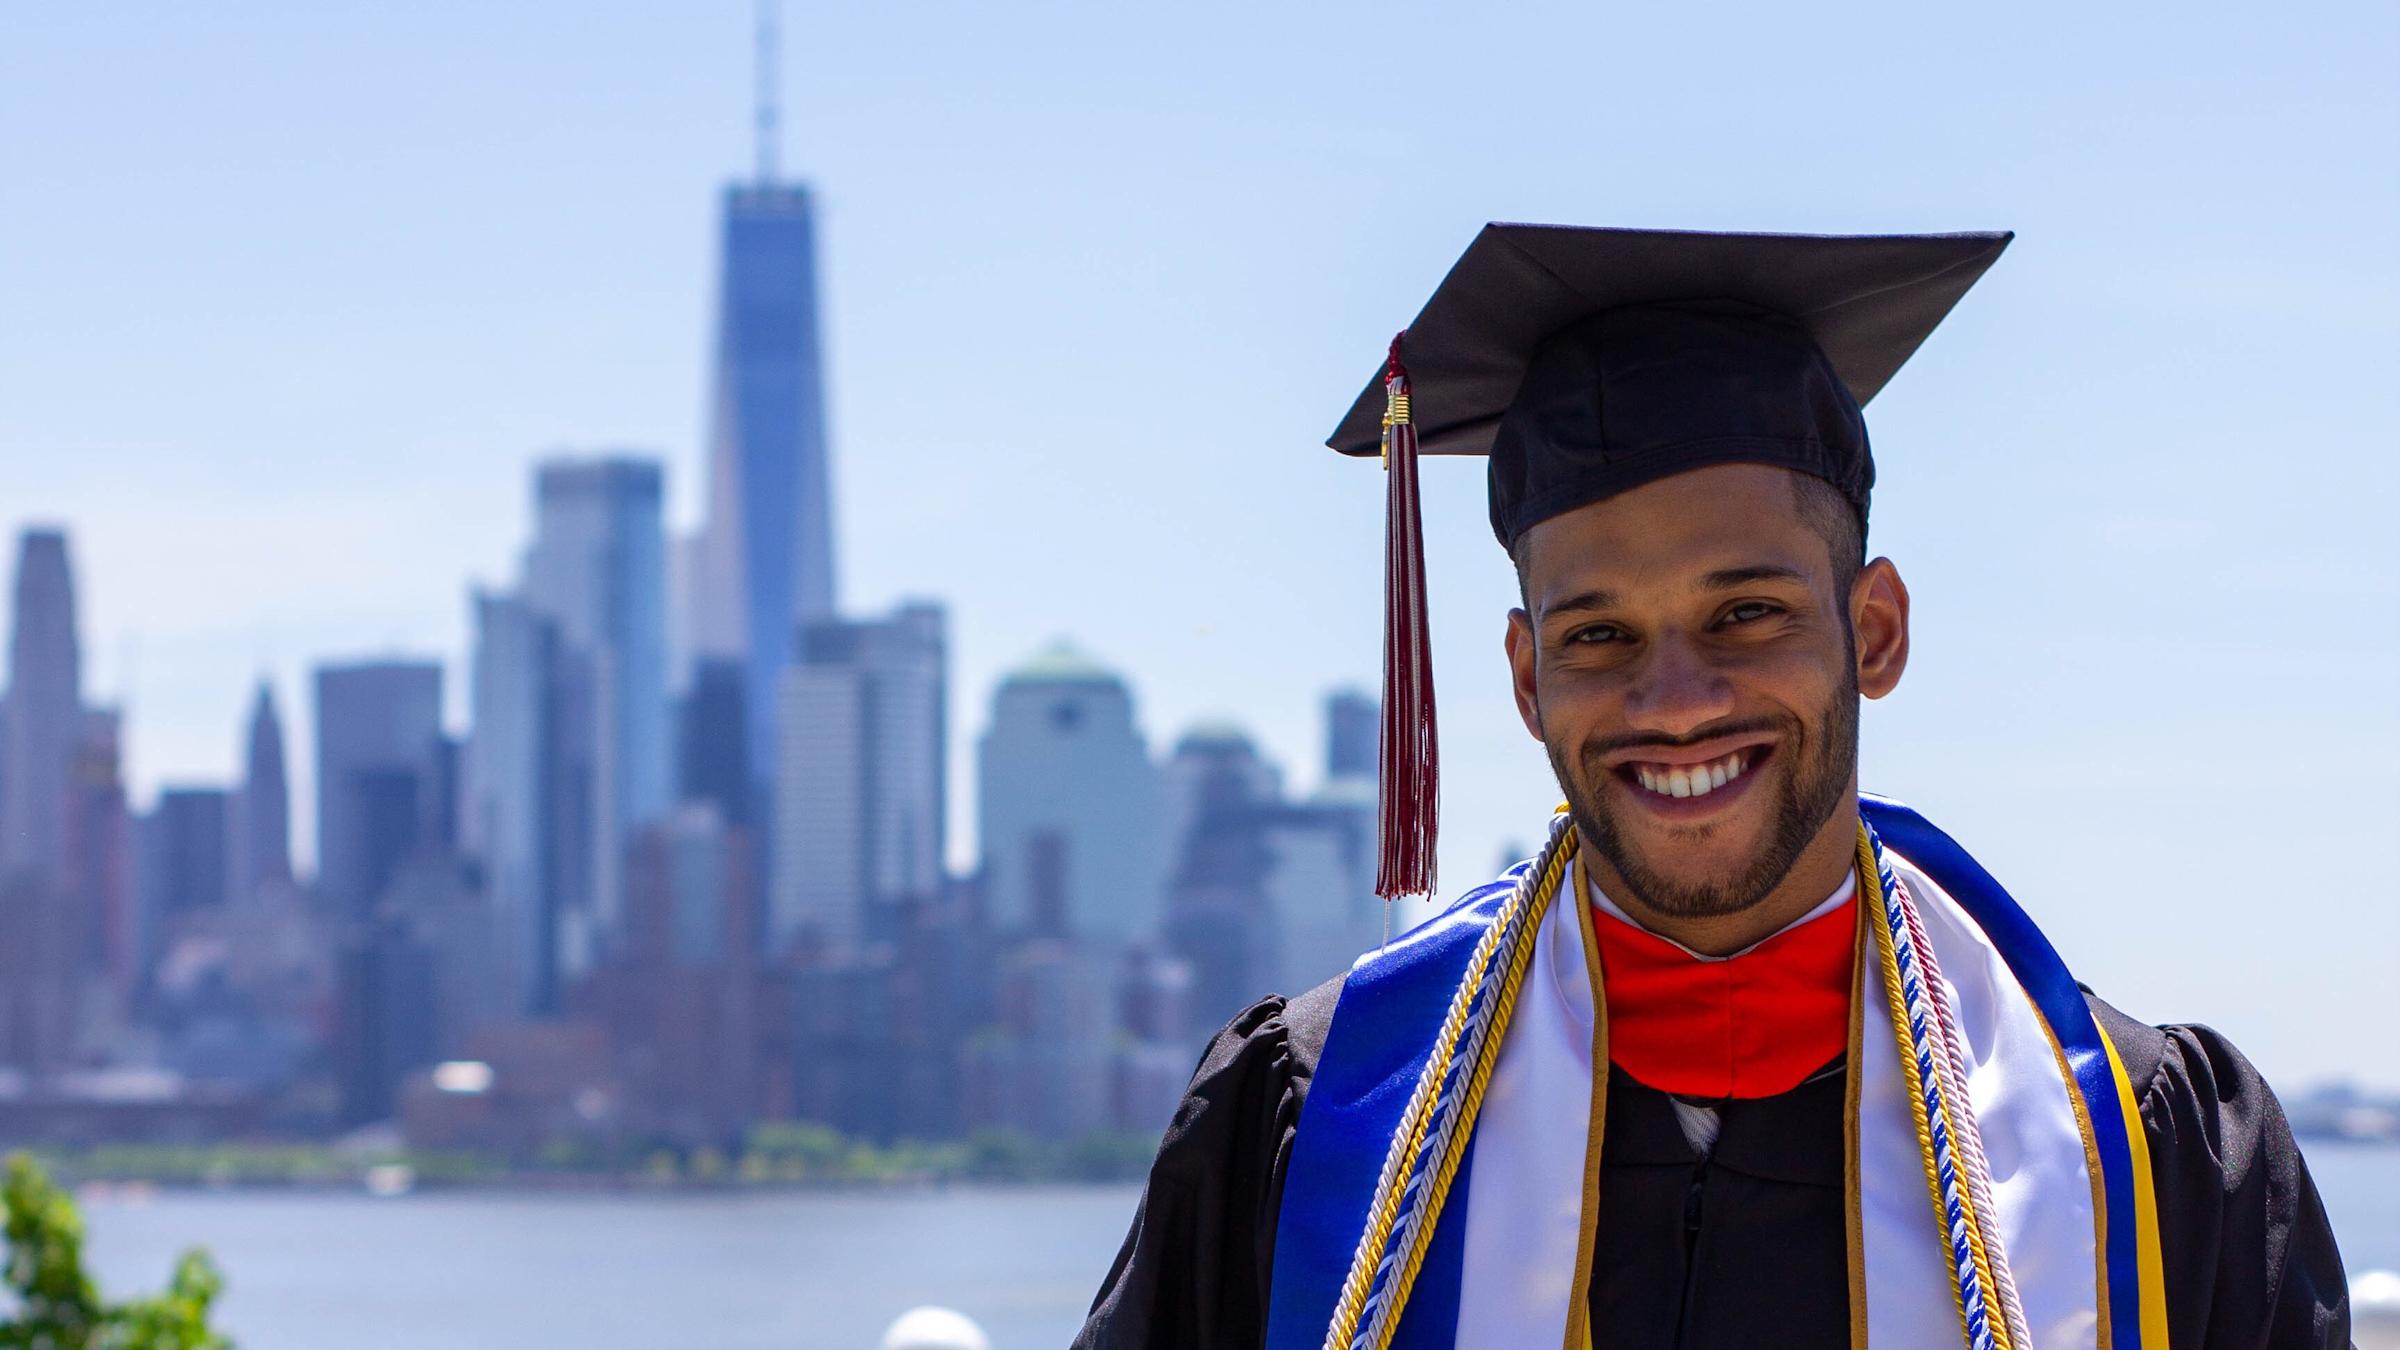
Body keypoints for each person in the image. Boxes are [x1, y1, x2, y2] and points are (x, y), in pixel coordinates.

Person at [1074, 225, 2350, 1349]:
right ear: (1527, 682)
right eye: (1597, 635)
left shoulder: (2145, 1152)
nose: (1674, 701)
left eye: (1747, 613)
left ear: (1878, 630)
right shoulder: (1317, 1117)